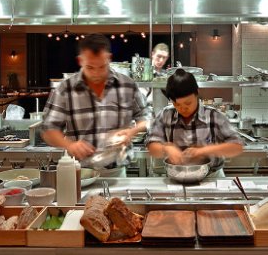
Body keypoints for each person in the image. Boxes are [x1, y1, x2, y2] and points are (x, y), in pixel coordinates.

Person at [41, 34, 151, 175]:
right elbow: (48, 129)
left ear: (109, 58)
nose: (97, 73)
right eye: (90, 67)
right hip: (80, 172)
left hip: (117, 171)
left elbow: (147, 116)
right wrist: (70, 145)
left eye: (102, 66)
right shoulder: (65, 89)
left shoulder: (127, 85)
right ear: (80, 61)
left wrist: (132, 131)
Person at [146, 69, 243, 178]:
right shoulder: (165, 115)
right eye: (177, 104)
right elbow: (151, 145)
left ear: (197, 93)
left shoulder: (213, 116)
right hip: (176, 176)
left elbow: (237, 146)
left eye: (188, 103)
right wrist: (166, 148)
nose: (183, 108)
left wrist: (203, 150)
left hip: (211, 177)